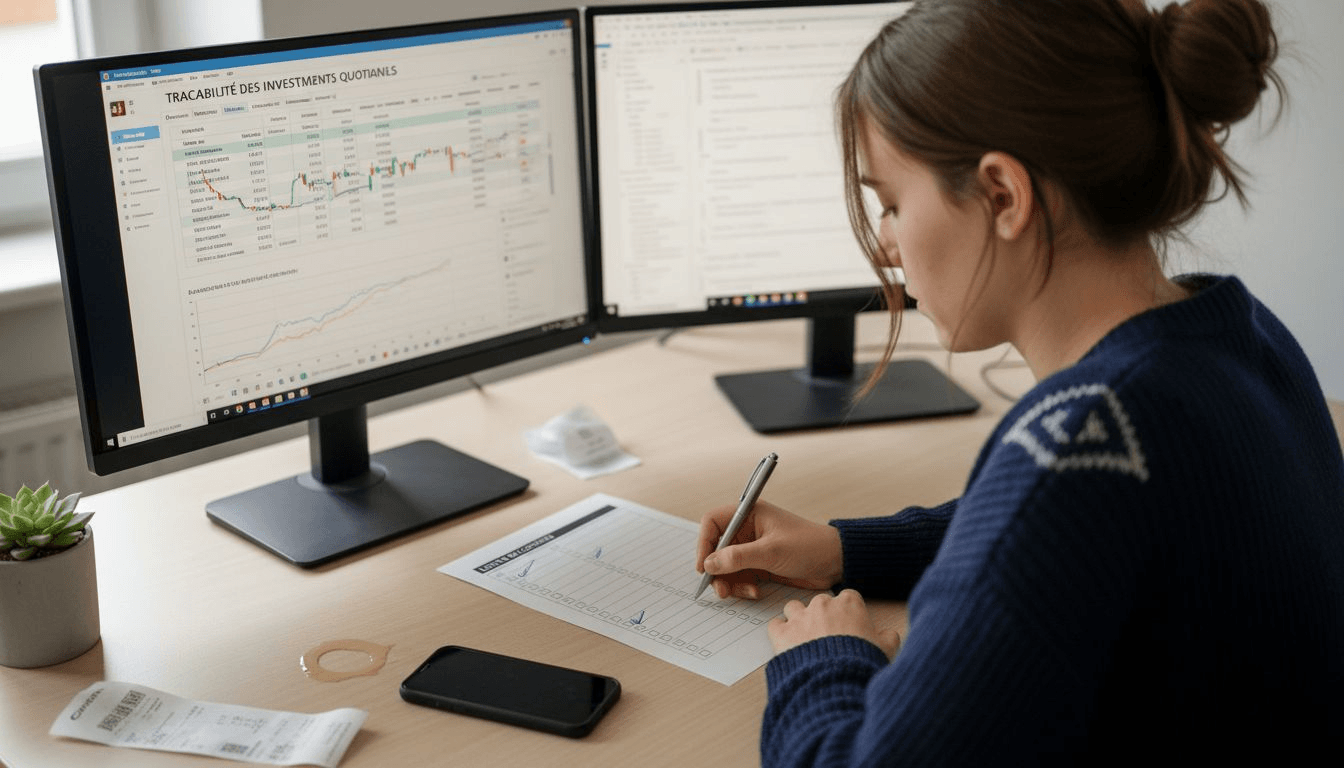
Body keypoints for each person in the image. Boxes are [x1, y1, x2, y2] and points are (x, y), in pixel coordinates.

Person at [695, 0, 1344, 762]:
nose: (887, 242)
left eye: (894, 203)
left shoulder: (1074, 445)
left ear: (1003, 195)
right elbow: (1073, 534)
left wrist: (823, 656)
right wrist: (848, 551)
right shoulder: (1239, 335)